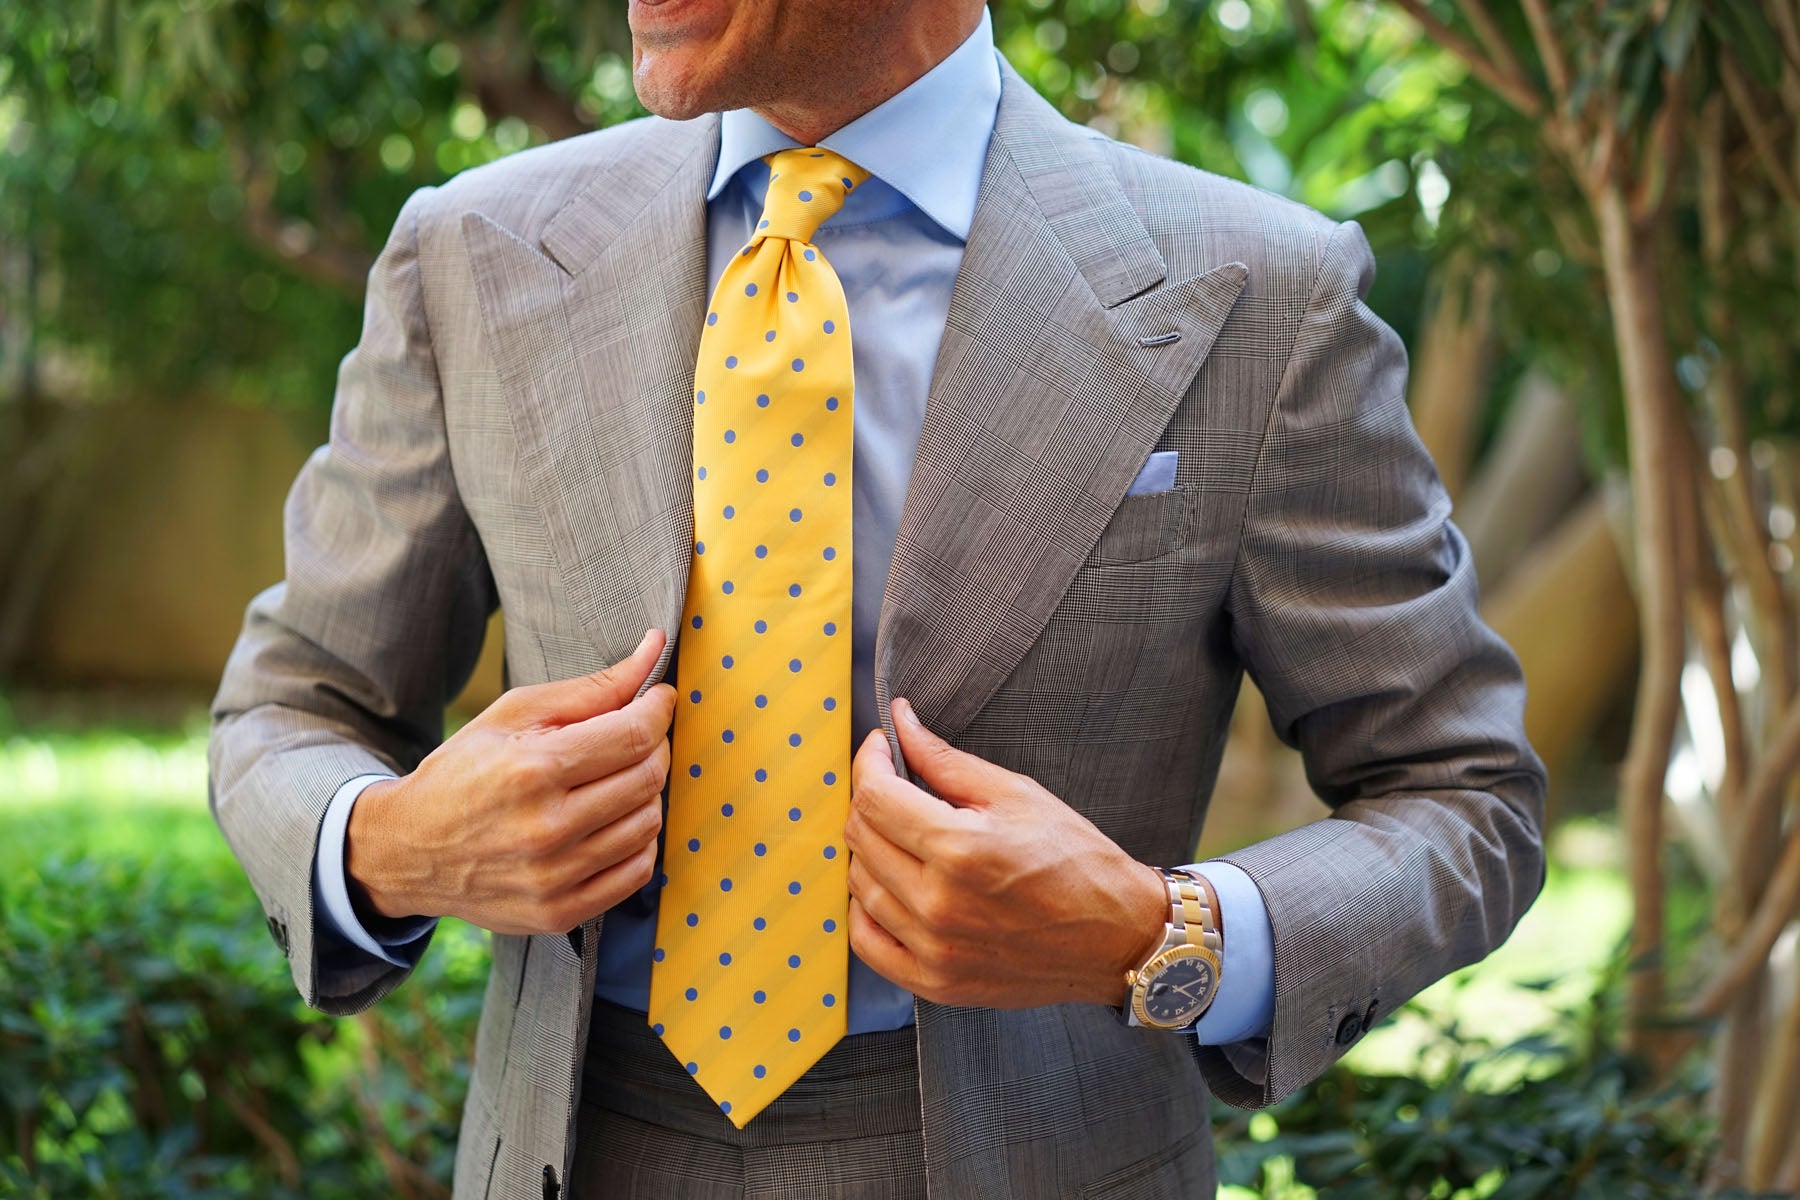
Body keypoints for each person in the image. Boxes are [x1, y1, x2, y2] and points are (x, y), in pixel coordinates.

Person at [208, 1, 1547, 1196]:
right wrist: (383, 845)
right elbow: (291, 703)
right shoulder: (471, 253)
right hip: (571, 1141)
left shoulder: (1263, 297)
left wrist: (1164, 932)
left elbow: (1464, 794)